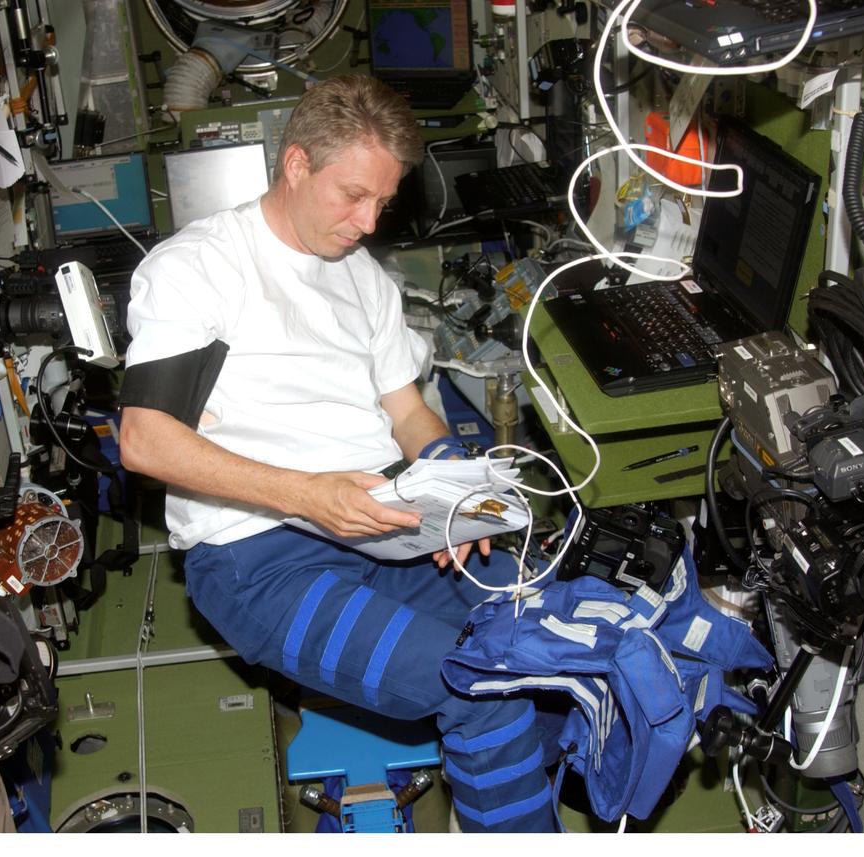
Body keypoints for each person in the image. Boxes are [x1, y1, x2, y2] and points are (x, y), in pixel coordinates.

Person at [118, 75, 555, 832]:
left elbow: (410, 409)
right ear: (294, 166)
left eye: (383, 202)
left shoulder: (363, 279)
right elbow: (144, 438)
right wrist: (305, 494)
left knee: (555, 652)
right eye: (353, 195)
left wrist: (457, 487)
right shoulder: (198, 268)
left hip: (388, 522)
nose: (367, 220)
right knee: (481, 685)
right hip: (260, 558)